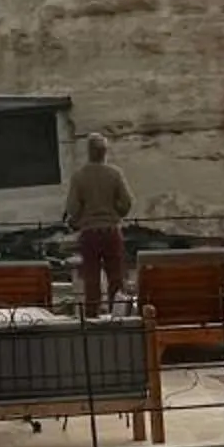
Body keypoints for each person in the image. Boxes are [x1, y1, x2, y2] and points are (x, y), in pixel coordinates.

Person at [63, 132, 134, 315]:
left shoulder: (79, 177)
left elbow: (72, 207)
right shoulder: (115, 174)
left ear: (89, 152)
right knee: (116, 277)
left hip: (89, 233)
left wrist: (80, 218)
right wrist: (116, 213)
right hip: (111, 231)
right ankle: (118, 315)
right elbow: (126, 202)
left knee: (92, 278)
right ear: (105, 152)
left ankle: (93, 316)